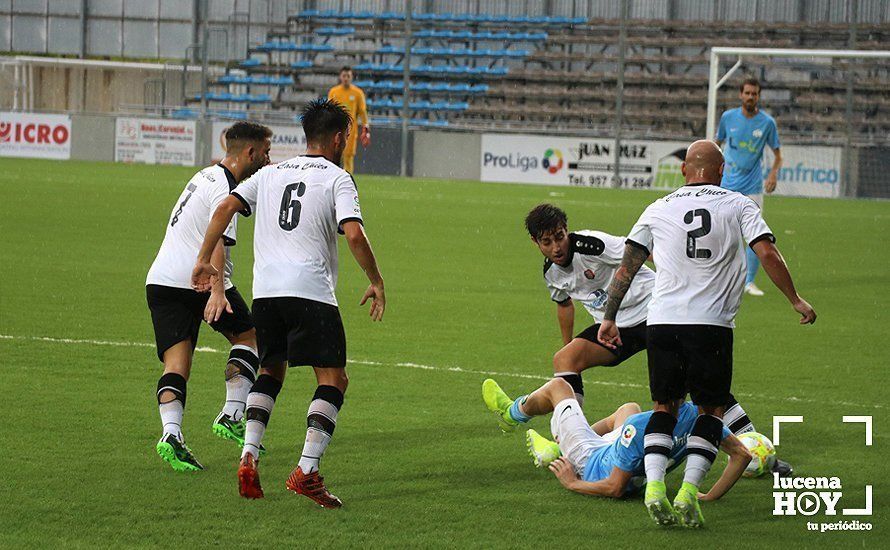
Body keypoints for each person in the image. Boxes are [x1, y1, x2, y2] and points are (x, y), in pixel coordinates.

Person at [597, 140, 816, 528]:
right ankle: (687, 492)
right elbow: (766, 253)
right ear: (721, 171)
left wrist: (609, 317)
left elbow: (626, 269)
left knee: (665, 408)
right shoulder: (737, 204)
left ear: (684, 170)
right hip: (710, 324)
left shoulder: (656, 208)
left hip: (661, 322)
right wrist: (795, 299)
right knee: (710, 411)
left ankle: (654, 487)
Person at [191, 99, 385, 507]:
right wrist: (376, 280)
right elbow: (352, 234)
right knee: (333, 380)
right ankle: (307, 471)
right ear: (337, 138)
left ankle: (249, 454)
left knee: (271, 370)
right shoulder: (338, 177)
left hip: (267, 292)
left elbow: (225, 206)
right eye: (346, 137)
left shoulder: (270, 173)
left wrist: (203, 259)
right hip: (310, 290)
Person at [524, 203, 792, 475]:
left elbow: (639, 251)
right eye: (547, 242)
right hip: (616, 328)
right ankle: (576, 442)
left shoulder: (592, 244)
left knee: (695, 379)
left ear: (566, 230)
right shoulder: (551, 273)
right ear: (536, 242)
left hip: (655, 312)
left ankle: (755, 445)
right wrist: (568, 341)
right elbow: (564, 305)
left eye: (560, 236)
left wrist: (679, 274)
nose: (556, 246)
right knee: (566, 359)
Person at [146, 121, 272, 472]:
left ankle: (171, 433)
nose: (268, 157)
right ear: (250, 152)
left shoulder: (204, 175)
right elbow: (217, 237)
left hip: (160, 280)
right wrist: (217, 291)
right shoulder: (225, 187)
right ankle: (232, 413)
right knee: (249, 338)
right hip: (198, 279)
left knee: (177, 364)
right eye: (265, 151)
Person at [481, 378, 752, 501]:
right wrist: (708, 497)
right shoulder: (702, 421)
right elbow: (742, 455)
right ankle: (558, 444)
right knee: (628, 408)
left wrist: (573, 482)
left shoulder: (644, 425)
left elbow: (614, 487)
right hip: (621, 451)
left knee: (559, 388)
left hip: (592, 462)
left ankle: (512, 414)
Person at [715, 76, 782, 297]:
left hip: (752, 188)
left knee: (755, 235)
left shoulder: (767, 123)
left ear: (758, 96)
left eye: (754, 93)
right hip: (726, 186)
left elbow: (778, 156)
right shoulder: (728, 118)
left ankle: (749, 281)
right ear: (741, 95)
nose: (751, 97)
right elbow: (717, 145)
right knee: (721, 231)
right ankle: (720, 275)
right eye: (747, 93)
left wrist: (772, 174)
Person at [328, 66, 370, 174]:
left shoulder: (357, 93)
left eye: (348, 76)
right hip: (335, 129)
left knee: (348, 156)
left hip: (350, 130)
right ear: (340, 77)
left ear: (351, 77)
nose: (346, 78)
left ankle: (347, 181)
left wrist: (366, 127)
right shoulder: (334, 92)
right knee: (333, 156)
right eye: (344, 76)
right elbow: (329, 110)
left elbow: (362, 111)